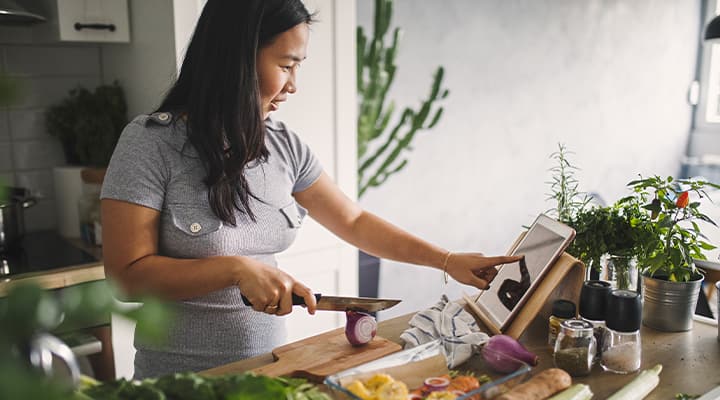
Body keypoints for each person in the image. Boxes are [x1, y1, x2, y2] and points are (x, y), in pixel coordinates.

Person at [100, 0, 522, 379]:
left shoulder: (284, 146)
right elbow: (127, 278)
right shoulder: (150, 143)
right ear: (236, 60)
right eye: (286, 65)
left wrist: (447, 261)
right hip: (181, 384)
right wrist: (236, 268)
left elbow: (354, 221)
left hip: (270, 372)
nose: (294, 84)